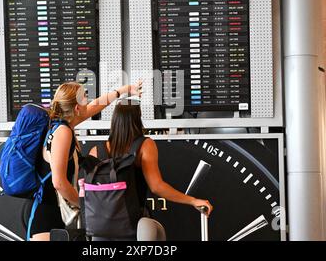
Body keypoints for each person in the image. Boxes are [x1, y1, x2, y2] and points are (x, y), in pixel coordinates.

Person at [24, 81, 142, 241]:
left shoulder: (64, 124)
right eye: (85, 98)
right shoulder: (63, 132)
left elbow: (97, 104)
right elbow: (58, 182)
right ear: (77, 108)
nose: (89, 101)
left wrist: (125, 90)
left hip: (54, 209)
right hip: (44, 213)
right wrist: (85, 205)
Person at [88, 99, 213, 240]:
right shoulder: (144, 145)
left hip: (101, 228)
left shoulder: (96, 151)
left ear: (115, 119)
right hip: (134, 226)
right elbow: (157, 187)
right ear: (137, 118)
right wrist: (193, 200)